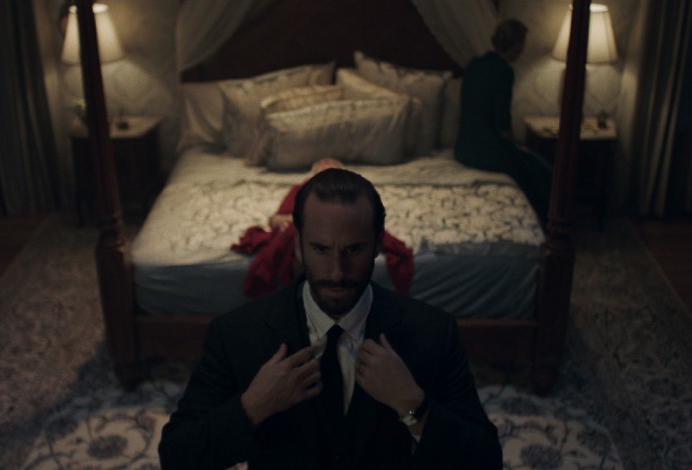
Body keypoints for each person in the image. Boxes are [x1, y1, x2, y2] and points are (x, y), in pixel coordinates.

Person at [159, 168, 502, 469]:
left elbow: (486, 460)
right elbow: (177, 456)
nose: (337, 272)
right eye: (321, 249)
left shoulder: (433, 332)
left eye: (354, 249)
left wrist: (411, 405)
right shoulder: (236, 333)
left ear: (378, 244)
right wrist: (252, 407)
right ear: (297, 245)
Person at [231, 158, 413, 298]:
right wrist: (280, 220)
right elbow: (278, 216)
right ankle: (299, 289)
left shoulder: (354, 193)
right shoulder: (301, 190)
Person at [455, 19, 553, 226]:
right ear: (516, 46)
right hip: (487, 150)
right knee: (540, 169)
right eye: (522, 45)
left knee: (531, 165)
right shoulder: (504, 72)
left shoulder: (474, 64)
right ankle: (547, 222)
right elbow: (502, 125)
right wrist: (519, 146)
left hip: (463, 148)